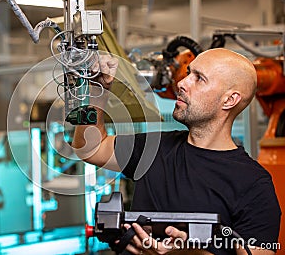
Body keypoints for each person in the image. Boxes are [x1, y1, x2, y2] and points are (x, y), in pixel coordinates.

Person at [72, 48, 281, 255]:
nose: (182, 83)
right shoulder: (153, 147)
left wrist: (189, 254)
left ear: (229, 100)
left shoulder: (254, 185)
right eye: (189, 73)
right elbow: (90, 148)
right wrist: (96, 91)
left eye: (199, 79)